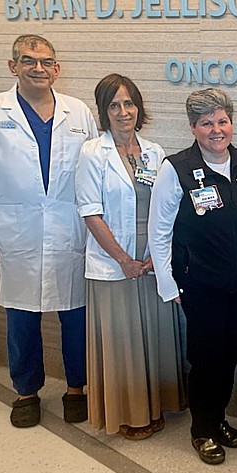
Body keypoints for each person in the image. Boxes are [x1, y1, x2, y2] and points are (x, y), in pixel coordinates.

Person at [0, 34, 97, 427]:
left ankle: (77, 388)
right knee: (21, 316)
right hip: (16, 232)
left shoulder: (78, 112)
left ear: (57, 69)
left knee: (76, 314)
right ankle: (26, 392)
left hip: (70, 228)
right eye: (28, 60)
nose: (38, 68)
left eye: (45, 61)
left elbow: (95, 172)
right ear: (13, 66)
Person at [148, 88, 237, 465]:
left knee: (229, 355)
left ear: (231, 123)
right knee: (205, 357)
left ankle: (219, 419)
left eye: (222, 121)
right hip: (199, 282)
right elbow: (159, 230)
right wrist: (169, 285)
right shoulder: (177, 168)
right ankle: (202, 429)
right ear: (193, 127)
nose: (216, 130)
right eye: (206, 123)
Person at [75, 74, 187, 440]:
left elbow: (166, 209)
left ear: (139, 108)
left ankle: (157, 406)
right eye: (114, 105)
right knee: (123, 341)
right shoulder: (93, 153)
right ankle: (130, 415)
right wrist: (124, 259)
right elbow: (91, 213)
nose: (123, 112)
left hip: (152, 262)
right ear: (103, 112)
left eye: (129, 104)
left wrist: (157, 254)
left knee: (153, 336)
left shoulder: (155, 153)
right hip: (114, 264)